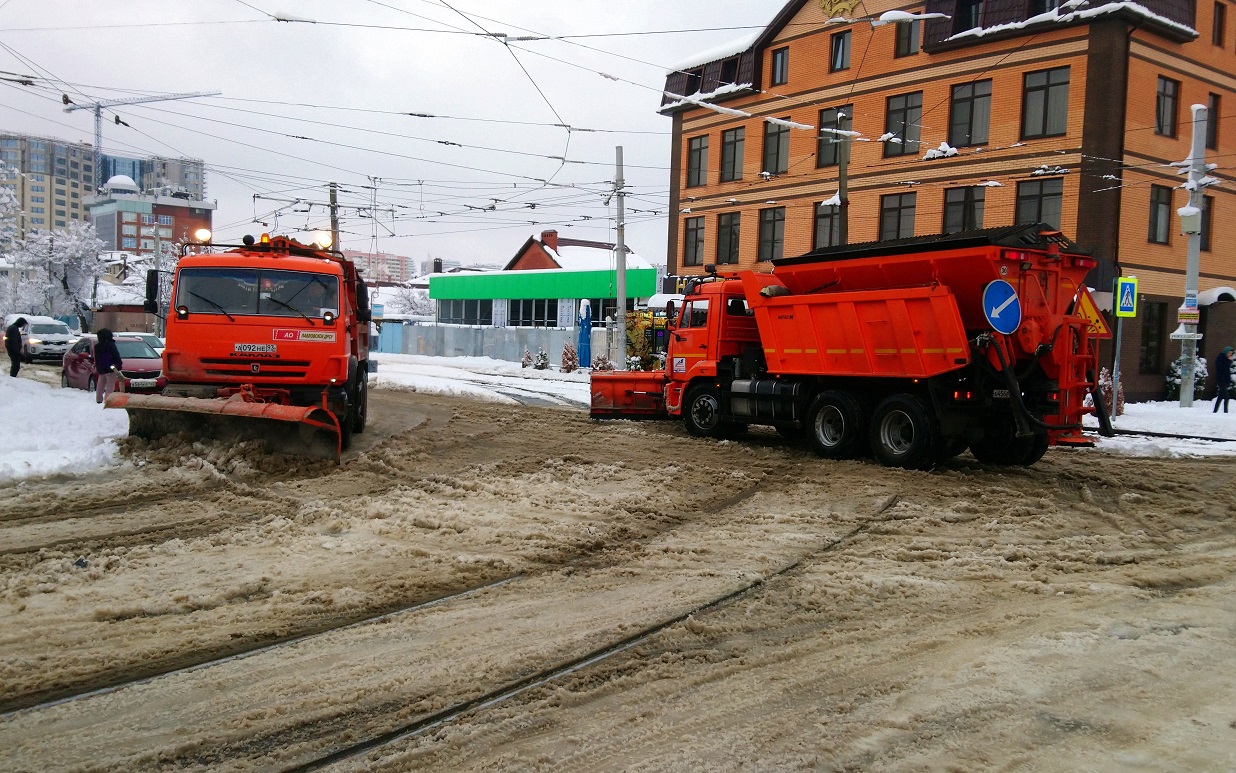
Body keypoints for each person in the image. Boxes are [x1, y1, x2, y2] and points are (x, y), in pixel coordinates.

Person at [93, 328, 124, 405]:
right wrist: (118, 364)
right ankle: (108, 401)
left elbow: (97, 358)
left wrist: (98, 367)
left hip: (101, 368)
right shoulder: (111, 344)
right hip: (111, 368)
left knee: (100, 384)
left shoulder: (97, 346)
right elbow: (116, 355)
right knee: (110, 385)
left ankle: (98, 399)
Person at [1215, 346, 1234, 414]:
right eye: (1229, 353)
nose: (1230, 355)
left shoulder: (1227, 359)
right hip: (1221, 379)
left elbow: (1227, 371)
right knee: (1227, 396)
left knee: (1220, 396)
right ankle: (1225, 412)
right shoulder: (1221, 357)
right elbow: (1222, 367)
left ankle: (1215, 410)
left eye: (1231, 353)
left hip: (1225, 380)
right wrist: (1228, 361)